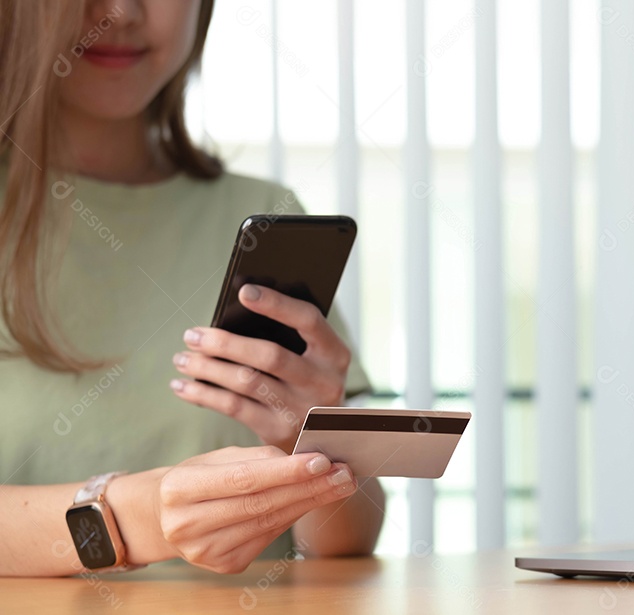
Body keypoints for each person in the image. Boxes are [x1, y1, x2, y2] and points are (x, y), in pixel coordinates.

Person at [0, 0, 384, 576]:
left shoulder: (262, 212)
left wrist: (318, 449)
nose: (120, 13)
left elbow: (345, 549)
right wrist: (140, 516)